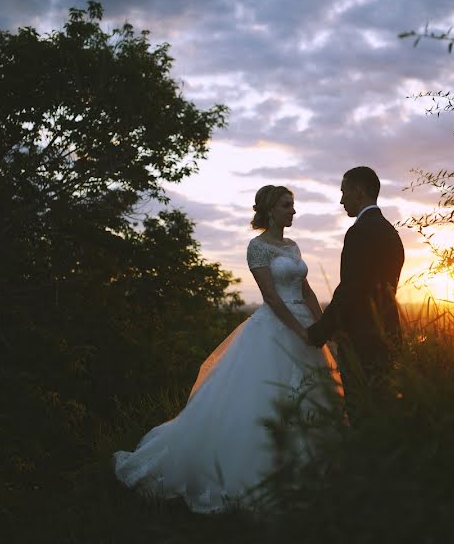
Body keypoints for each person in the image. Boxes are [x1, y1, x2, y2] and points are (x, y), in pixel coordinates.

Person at [113, 185, 341, 514]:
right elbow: (272, 297)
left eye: (293, 205)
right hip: (277, 329)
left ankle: (306, 474)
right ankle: (257, 477)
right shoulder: (257, 247)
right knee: (262, 402)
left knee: (310, 398)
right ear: (270, 210)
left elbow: (305, 291)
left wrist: (321, 328)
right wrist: (300, 331)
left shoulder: (292, 246)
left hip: (306, 328)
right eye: (287, 205)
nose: (293, 211)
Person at [307, 166, 405, 422]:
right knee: (384, 412)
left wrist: (320, 332)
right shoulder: (390, 232)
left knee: (362, 413)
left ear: (359, 192)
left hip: (363, 340)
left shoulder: (359, 232)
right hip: (389, 332)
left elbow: (351, 289)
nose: (341, 200)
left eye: (344, 192)